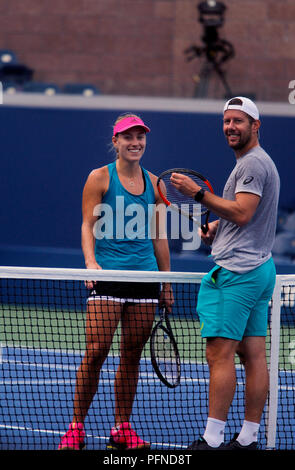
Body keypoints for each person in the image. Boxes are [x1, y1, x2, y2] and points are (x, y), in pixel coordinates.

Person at [170, 97, 280, 450]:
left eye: (239, 121)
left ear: (255, 125)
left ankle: (213, 440)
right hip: (260, 269)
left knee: (220, 355)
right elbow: (247, 215)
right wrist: (218, 226)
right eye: (226, 121)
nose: (231, 126)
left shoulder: (252, 165)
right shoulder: (258, 163)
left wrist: (198, 194)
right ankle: (247, 439)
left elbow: (244, 213)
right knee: (253, 356)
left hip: (236, 274)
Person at [58, 113, 173, 450]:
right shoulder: (98, 178)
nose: (135, 142)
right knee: (96, 352)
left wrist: (166, 283)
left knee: (131, 355)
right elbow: (86, 225)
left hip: (145, 279)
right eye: (128, 137)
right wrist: (91, 263)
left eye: (140, 137)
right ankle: (76, 427)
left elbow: (159, 237)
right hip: (108, 278)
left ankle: (121, 428)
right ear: (116, 142)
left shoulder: (156, 184)